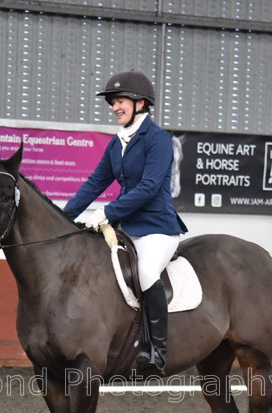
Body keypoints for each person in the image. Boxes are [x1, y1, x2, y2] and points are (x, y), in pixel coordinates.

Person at [64, 69, 187, 375]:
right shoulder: (117, 142)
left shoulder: (158, 140)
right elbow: (95, 183)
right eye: (113, 102)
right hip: (127, 229)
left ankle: (157, 350)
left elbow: (148, 187)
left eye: (120, 101)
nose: (115, 107)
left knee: (146, 271)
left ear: (140, 103)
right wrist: (63, 217)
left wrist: (108, 212)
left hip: (158, 228)